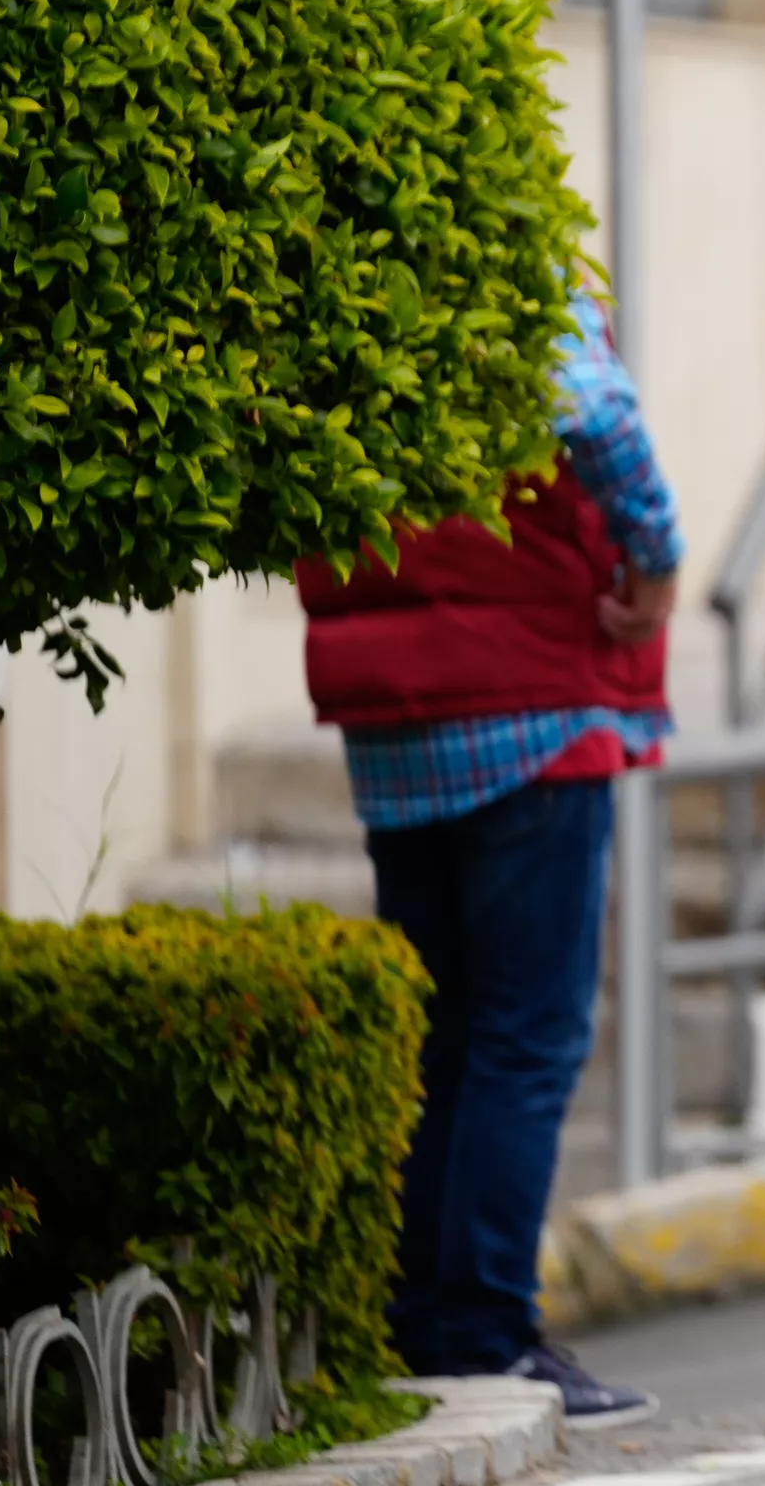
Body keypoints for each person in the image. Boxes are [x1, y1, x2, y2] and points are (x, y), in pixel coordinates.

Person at [295, 288, 672, 1426]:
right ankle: (486, 1334)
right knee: (527, 1031)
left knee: (444, 1028)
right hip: (529, 703)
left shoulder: (343, 263)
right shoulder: (505, 253)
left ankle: (421, 1324)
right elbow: (590, 405)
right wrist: (654, 552)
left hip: (395, 711)